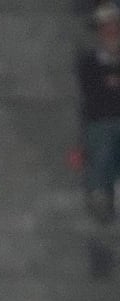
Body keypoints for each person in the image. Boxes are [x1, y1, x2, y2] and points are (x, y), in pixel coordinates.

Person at [77, 1, 120, 224]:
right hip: (101, 122)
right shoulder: (90, 60)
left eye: (115, 25)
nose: (111, 30)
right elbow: (94, 94)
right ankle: (99, 195)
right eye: (106, 26)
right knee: (103, 143)